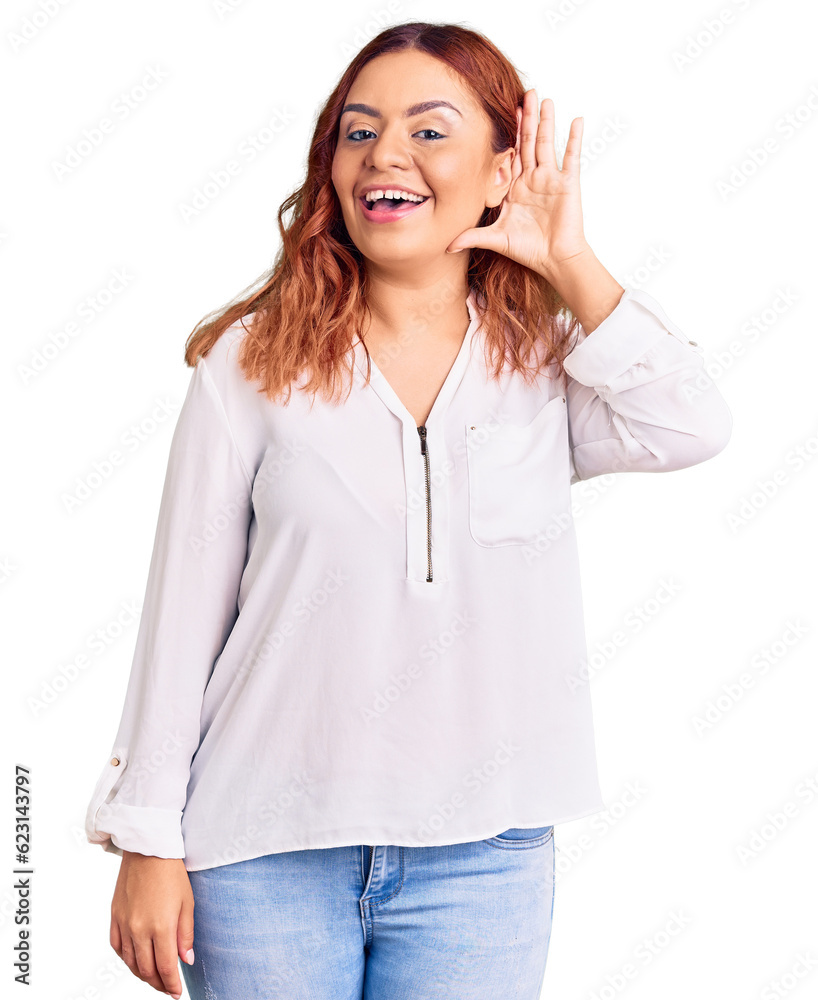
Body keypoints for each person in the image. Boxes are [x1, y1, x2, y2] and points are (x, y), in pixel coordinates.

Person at [84, 20, 732, 1000]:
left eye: (429, 131)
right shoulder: (250, 363)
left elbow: (689, 424)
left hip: (485, 859)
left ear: (501, 172)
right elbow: (181, 617)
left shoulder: (547, 364)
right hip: (262, 851)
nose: (385, 153)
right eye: (359, 131)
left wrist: (570, 259)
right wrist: (146, 837)